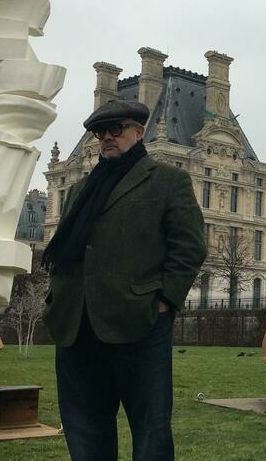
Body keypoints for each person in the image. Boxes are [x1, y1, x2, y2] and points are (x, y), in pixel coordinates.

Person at [43, 99, 206, 461]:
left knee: (151, 431)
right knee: (84, 430)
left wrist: (165, 299)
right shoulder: (80, 189)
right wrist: (55, 300)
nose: (106, 138)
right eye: (100, 132)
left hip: (140, 322)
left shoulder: (168, 181)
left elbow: (190, 246)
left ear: (139, 131)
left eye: (115, 129)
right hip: (76, 324)